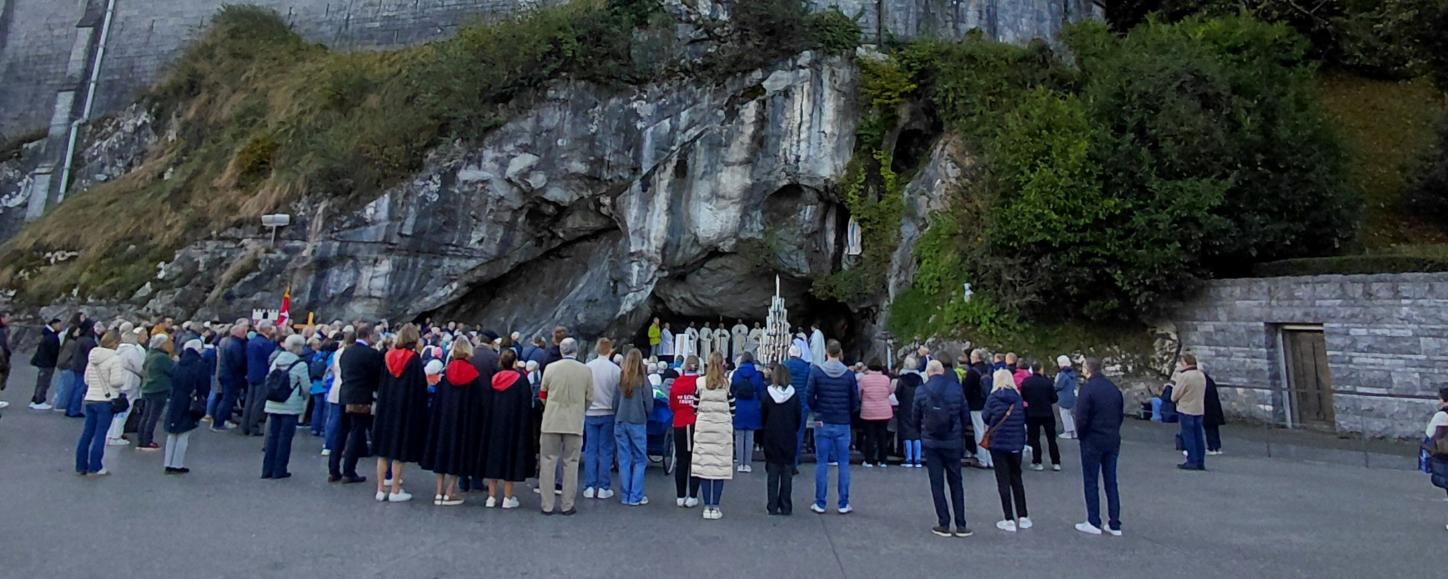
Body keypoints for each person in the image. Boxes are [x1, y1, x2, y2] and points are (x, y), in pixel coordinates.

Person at [914, 360, 972, 537]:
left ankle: (943, 523)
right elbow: (965, 416)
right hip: (953, 441)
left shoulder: (922, 390)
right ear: (942, 371)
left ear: (928, 373)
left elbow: (914, 417)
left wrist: (923, 433)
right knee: (956, 482)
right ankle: (961, 524)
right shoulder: (956, 389)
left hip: (932, 442)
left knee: (936, 483)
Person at [373, 324, 430, 502]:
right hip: (405, 408)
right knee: (399, 452)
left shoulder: (387, 356)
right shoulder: (414, 359)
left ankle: (380, 489)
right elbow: (420, 387)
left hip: (386, 406)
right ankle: (396, 489)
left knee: (383, 451)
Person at [422, 338, 481, 506]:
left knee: (442, 451)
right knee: (457, 452)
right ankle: (450, 492)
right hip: (463, 419)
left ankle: (438, 492)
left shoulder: (447, 371)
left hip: (445, 417)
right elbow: (476, 402)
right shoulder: (472, 373)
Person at [539, 338, 592, 515]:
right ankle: (567, 504)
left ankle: (547, 504)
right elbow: (590, 397)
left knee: (547, 461)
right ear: (576, 351)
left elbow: (542, 393)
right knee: (571, 463)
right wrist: (580, 410)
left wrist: (550, 406)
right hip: (574, 421)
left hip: (551, 420)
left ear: (561, 351)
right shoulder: (585, 370)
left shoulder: (550, 368)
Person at [1074, 357, 1124, 536]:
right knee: (1111, 481)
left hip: (1093, 438)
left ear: (1087, 369)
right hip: (1112, 437)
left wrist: (1081, 435)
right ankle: (1115, 523)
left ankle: (1094, 520)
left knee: (1091, 480)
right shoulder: (1113, 389)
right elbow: (1120, 414)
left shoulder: (1087, 389)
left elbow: (1081, 417)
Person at [480, 348, 535, 509]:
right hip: (513, 425)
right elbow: (526, 405)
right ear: (515, 362)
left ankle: (491, 497)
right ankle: (508, 497)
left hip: (494, 425)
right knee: (510, 459)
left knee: (493, 458)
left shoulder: (494, 379)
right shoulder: (520, 380)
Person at [807, 340, 859, 514]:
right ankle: (843, 503)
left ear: (826, 353)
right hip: (843, 422)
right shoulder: (848, 375)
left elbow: (809, 396)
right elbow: (854, 400)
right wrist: (847, 412)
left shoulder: (817, 372)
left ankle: (820, 502)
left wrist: (816, 410)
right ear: (840, 352)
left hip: (822, 421)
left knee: (822, 462)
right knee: (843, 463)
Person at [331, 323, 381, 484]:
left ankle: (333, 469)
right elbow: (376, 377)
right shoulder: (371, 354)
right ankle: (348, 470)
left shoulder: (347, 351)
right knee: (356, 432)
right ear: (369, 336)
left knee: (341, 431)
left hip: (345, 393)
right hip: (361, 396)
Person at [983, 368, 1029, 532]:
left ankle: (1008, 517)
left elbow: (986, 417)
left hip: (998, 443)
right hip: (1016, 443)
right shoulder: (1017, 398)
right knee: (1017, 479)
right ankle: (1023, 515)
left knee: (1003, 480)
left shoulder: (993, 398)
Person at [692, 351, 735, 520]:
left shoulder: (700, 383)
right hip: (721, 429)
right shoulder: (727, 384)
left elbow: (695, 406)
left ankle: (706, 507)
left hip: (704, 428)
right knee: (718, 468)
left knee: (705, 467)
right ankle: (715, 506)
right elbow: (733, 408)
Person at [76, 331, 125, 476]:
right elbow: (116, 381)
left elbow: (86, 379)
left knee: (87, 433)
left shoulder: (93, 357)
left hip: (91, 398)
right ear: (115, 343)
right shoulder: (115, 359)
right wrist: (122, 381)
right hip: (106, 400)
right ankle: (96, 466)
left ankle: (81, 464)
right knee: (100, 434)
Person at [261, 334, 310, 480]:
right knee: (285, 439)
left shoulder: (276, 361)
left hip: (273, 403)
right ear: (297, 347)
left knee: (272, 437)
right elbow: (306, 388)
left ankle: (267, 469)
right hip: (290, 405)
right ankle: (279, 469)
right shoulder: (300, 365)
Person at [612, 349, 654, 506]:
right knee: (640, 460)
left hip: (621, 420)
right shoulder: (643, 380)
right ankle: (635, 495)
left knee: (623, 459)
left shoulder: (621, 378)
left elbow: (614, 402)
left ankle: (625, 495)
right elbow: (649, 404)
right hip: (637, 421)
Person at [761, 363, 801, 515]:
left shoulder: (767, 394)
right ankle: (786, 505)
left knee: (772, 473)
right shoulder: (794, 395)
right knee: (787, 473)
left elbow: (763, 415)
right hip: (789, 436)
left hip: (772, 436)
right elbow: (798, 416)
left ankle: (772, 505)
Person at [669, 355, 702, 507]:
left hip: (679, 423)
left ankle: (680, 495)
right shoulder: (700, 383)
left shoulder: (677, 382)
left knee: (681, 460)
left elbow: (673, 403)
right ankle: (693, 495)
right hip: (695, 422)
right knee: (695, 461)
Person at [107, 324, 145, 447]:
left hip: (118, 380)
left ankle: (110, 434)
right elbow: (139, 367)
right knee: (124, 410)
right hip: (130, 382)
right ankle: (116, 435)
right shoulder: (132, 350)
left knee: (116, 408)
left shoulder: (118, 349)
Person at [137, 334, 175, 451]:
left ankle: (141, 439)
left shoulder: (150, 353)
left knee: (146, 415)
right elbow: (173, 370)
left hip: (148, 387)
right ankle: (148, 441)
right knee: (153, 416)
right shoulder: (162, 358)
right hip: (159, 388)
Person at [1020, 361, 1061, 471]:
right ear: (1041, 369)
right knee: (1051, 439)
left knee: (1034, 439)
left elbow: (1023, 397)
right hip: (1047, 412)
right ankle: (1056, 462)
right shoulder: (1047, 382)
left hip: (1032, 412)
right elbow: (1054, 398)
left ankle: (1037, 461)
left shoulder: (1026, 382)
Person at [241, 320, 277, 436]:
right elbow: (270, 359)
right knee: (258, 402)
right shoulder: (266, 343)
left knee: (249, 401)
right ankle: (253, 427)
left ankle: (245, 425)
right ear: (266, 330)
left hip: (252, 372)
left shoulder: (251, 342)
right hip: (262, 374)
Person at [1172, 353, 1207, 471]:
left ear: (1185, 363)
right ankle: (1200, 461)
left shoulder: (1184, 376)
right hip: (1198, 408)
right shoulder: (1201, 375)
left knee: (1189, 436)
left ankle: (1191, 461)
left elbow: (1175, 394)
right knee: (1198, 436)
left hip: (1186, 409)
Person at [730, 352, 764, 473]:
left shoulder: (736, 374)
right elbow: (761, 393)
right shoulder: (757, 375)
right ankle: (748, 464)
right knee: (750, 436)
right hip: (752, 406)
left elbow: (732, 390)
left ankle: (740, 463)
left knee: (739, 435)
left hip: (739, 406)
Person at [213, 319, 249, 431]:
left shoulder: (225, 341)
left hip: (224, 373)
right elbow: (238, 362)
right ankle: (219, 423)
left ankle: (220, 420)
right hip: (232, 375)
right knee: (227, 399)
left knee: (224, 398)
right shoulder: (236, 345)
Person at [857, 363, 895, 468]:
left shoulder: (864, 379)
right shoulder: (886, 379)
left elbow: (859, 393)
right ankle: (883, 460)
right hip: (884, 411)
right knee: (882, 436)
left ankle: (869, 460)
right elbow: (890, 391)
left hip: (868, 411)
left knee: (870, 436)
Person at [784, 346, 811, 470]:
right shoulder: (806, 367)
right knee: (799, 433)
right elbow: (809, 386)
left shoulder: (784, 365)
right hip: (802, 402)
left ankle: (787, 460)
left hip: (787, 402)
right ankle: (795, 460)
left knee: (786, 432)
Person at [64, 320, 98, 417]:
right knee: (80, 389)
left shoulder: (80, 339)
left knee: (76, 388)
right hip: (83, 367)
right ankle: (74, 410)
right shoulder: (89, 341)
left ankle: (70, 408)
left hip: (77, 366)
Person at [895, 357, 923, 468]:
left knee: (906, 432)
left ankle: (908, 458)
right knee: (917, 432)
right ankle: (918, 458)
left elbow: (898, 393)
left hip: (905, 406)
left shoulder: (901, 379)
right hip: (917, 405)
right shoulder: (919, 378)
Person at [28, 317, 61, 410]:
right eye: (58, 324)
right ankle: (39, 401)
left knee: (41, 382)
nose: (60, 326)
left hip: (44, 362)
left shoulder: (48, 335)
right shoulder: (52, 337)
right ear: (53, 325)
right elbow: (53, 351)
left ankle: (36, 400)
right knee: (44, 383)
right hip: (47, 363)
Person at [966, 349, 992, 468]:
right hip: (988, 403)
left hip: (975, 404)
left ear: (976, 358)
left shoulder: (972, 372)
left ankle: (982, 459)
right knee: (988, 431)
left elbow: (966, 389)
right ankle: (991, 459)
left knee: (979, 431)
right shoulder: (989, 369)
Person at [51, 324, 81, 413]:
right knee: (66, 388)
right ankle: (61, 405)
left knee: (62, 386)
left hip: (65, 367)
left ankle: (59, 403)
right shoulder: (72, 343)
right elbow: (67, 357)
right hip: (68, 367)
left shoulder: (67, 341)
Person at [1202, 362, 1226, 455]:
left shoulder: (1205, 381)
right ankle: (1216, 447)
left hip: (1209, 409)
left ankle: (1212, 447)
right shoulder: (1210, 381)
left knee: (1210, 429)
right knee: (1213, 429)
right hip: (1214, 408)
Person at [1055, 355, 1079, 440]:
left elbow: (1058, 386)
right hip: (1072, 396)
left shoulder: (1062, 374)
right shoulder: (1072, 373)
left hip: (1064, 397)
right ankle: (1074, 432)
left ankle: (1068, 432)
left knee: (1065, 415)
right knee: (1071, 415)